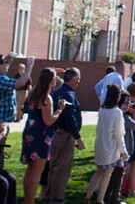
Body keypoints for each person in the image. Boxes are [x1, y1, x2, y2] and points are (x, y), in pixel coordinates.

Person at [21, 68, 64, 204]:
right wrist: (60, 109)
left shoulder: (33, 94)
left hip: (30, 133)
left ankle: (27, 200)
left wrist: (51, 70)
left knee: (30, 169)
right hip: (41, 136)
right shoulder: (46, 98)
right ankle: (30, 201)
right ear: (51, 82)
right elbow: (48, 120)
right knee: (37, 171)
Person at [43, 67, 85, 204]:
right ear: (72, 78)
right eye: (78, 77)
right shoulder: (68, 94)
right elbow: (69, 116)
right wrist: (77, 137)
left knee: (54, 167)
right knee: (62, 168)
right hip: (65, 135)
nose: (79, 80)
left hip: (56, 132)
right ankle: (57, 198)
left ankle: (49, 195)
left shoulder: (58, 91)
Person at [0, 53, 35, 169]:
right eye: (5, 62)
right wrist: (29, 67)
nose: (8, 64)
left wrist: (9, 59)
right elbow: (20, 83)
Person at [88, 84, 128, 204]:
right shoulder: (116, 112)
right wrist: (123, 150)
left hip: (100, 143)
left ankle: (88, 196)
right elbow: (119, 133)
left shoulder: (102, 109)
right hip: (110, 146)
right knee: (107, 174)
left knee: (99, 172)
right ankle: (100, 199)